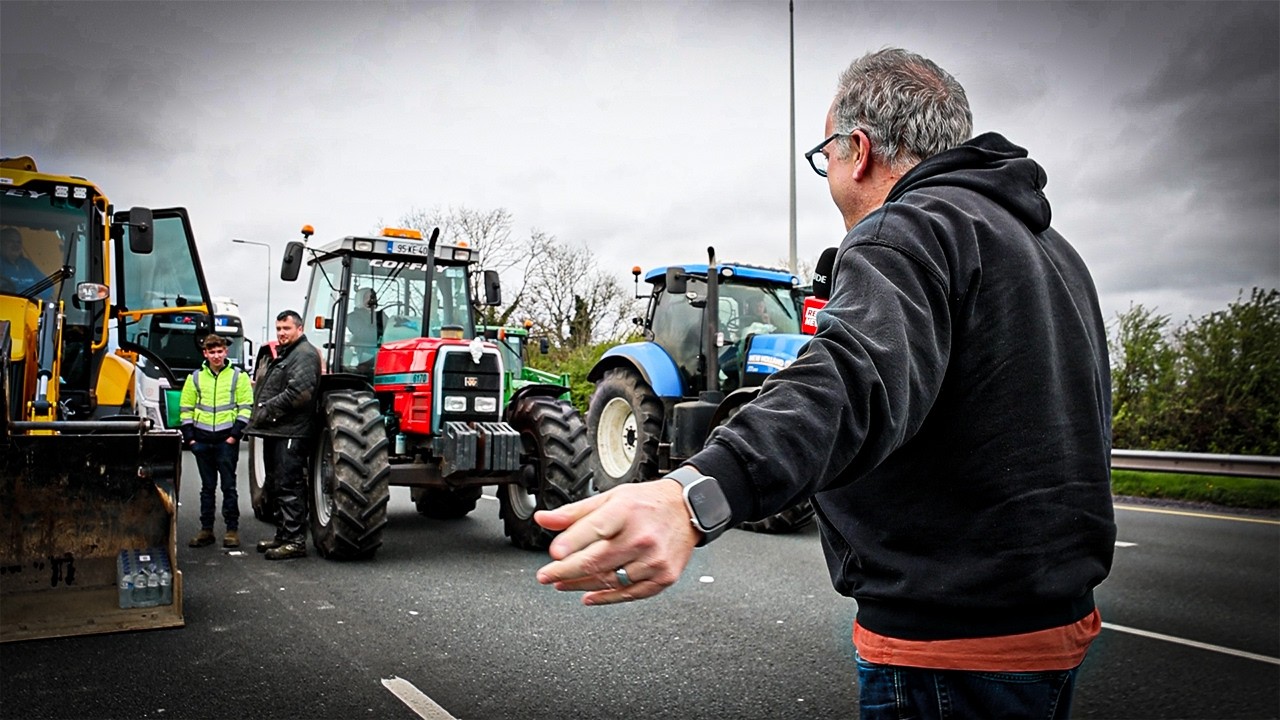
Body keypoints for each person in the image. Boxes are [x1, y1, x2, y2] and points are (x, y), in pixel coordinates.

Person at [535, 47, 1115, 719]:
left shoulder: (903, 229)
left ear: (858, 150)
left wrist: (693, 495)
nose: (828, 171)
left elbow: (849, 375)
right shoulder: (1051, 251)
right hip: (1052, 629)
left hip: (947, 645)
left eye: (826, 155)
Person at [245, 310, 321, 560]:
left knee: (290, 484)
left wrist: (267, 408)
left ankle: (295, 541)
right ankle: (283, 535)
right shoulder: (288, 354)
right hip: (277, 429)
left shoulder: (305, 354)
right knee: (277, 483)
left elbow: (300, 393)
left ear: (299, 329)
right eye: (278, 329)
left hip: (293, 431)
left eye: (286, 329)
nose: (281, 333)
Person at [180, 333, 254, 549]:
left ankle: (232, 530)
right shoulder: (195, 378)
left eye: (219, 351)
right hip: (202, 441)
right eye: (211, 352)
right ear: (205, 353)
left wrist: (234, 436)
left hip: (225, 441)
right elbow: (186, 408)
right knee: (207, 488)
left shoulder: (238, 377)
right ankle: (206, 530)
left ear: (225, 352)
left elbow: (245, 406)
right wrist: (191, 439)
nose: (216, 355)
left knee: (229, 487)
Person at [346, 287, 385, 372]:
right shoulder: (353, 317)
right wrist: (385, 334)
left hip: (382, 352)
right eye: (367, 297)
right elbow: (365, 334)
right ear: (360, 299)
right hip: (363, 354)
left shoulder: (380, 315)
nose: (371, 300)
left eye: (373, 297)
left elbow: (391, 327)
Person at [0, 227, 46, 296]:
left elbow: (48, 285)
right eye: (11, 241)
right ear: (1, 243)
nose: (16, 245)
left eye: (19, 242)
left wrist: (39, 296)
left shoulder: (27, 264)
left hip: (32, 304)